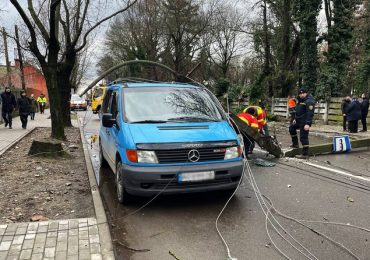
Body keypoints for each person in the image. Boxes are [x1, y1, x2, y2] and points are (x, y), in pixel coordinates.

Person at [289, 87, 315, 159]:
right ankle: (295, 144)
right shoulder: (300, 100)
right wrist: (294, 119)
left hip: (304, 122)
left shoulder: (309, 101)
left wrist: (308, 124)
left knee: (303, 137)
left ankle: (305, 154)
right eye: (300, 93)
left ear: (306, 93)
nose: (302, 95)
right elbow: (298, 110)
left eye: (303, 93)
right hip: (298, 120)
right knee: (291, 128)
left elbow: (310, 113)